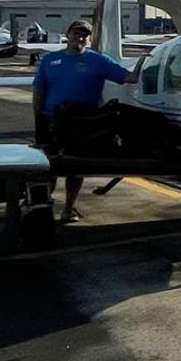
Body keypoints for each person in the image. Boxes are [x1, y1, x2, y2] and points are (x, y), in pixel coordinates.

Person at [31, 19, 131, 222]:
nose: (80, 37)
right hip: (52, 119)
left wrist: (154, 63)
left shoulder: (98, 60)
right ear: (67, 35)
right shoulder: (50, 60)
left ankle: (68, 208)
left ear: (89, 38)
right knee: (45, 166)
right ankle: (41, 203)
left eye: (85, 34)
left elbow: (129, 77)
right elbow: (39, 90)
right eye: (76, 33)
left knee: (75, 168)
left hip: (83, 123)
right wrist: (39, 116)